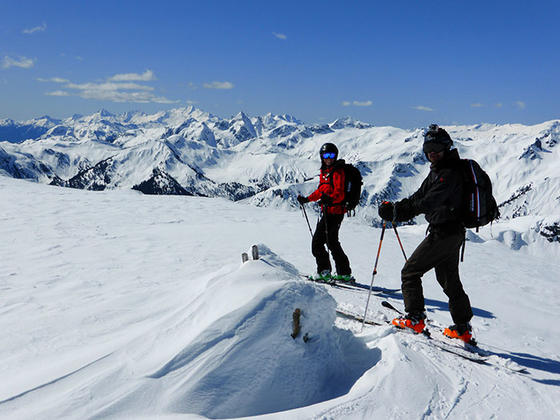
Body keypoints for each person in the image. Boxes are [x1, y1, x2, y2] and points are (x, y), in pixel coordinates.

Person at [378, 124, 474, 343]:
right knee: (449, 281)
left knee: (410, 272)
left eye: (437, 146)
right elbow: (417, 196)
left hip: (444, 233)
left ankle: (415, 318)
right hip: (452, 233)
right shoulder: (439, 171)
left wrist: (397, 213)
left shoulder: (448, 173)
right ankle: (462, 328)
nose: (432, 151)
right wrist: (395, 208)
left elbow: (428, 202)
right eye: (428, 147)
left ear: (447, 147)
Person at [297, 143, 353, 283]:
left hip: (334, 212)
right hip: (329, 211)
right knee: (332, 242)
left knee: (317, 243)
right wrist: (307, 199)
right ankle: (344, 273)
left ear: (335, 156)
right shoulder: (325, 172)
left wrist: (329, 199)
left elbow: (339, 193)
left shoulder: (337, 172)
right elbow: (321, 191)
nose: (328, 158)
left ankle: (324, 272)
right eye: (325, 155)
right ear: (321, 157)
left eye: (331, 155)